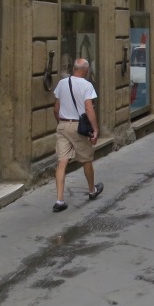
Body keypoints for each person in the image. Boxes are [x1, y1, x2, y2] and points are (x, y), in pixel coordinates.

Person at [52, 58, 103, 212]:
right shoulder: (87, 85)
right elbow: (89, 108)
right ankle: (92, 190)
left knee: (62, 162)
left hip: (63, 125)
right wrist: (95, 129)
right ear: (85, 70)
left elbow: (56, 108)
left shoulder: (62, 83)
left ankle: (59, 200)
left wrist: (61, 123)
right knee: (86, 159)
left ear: (74, 69)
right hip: (78, 127)